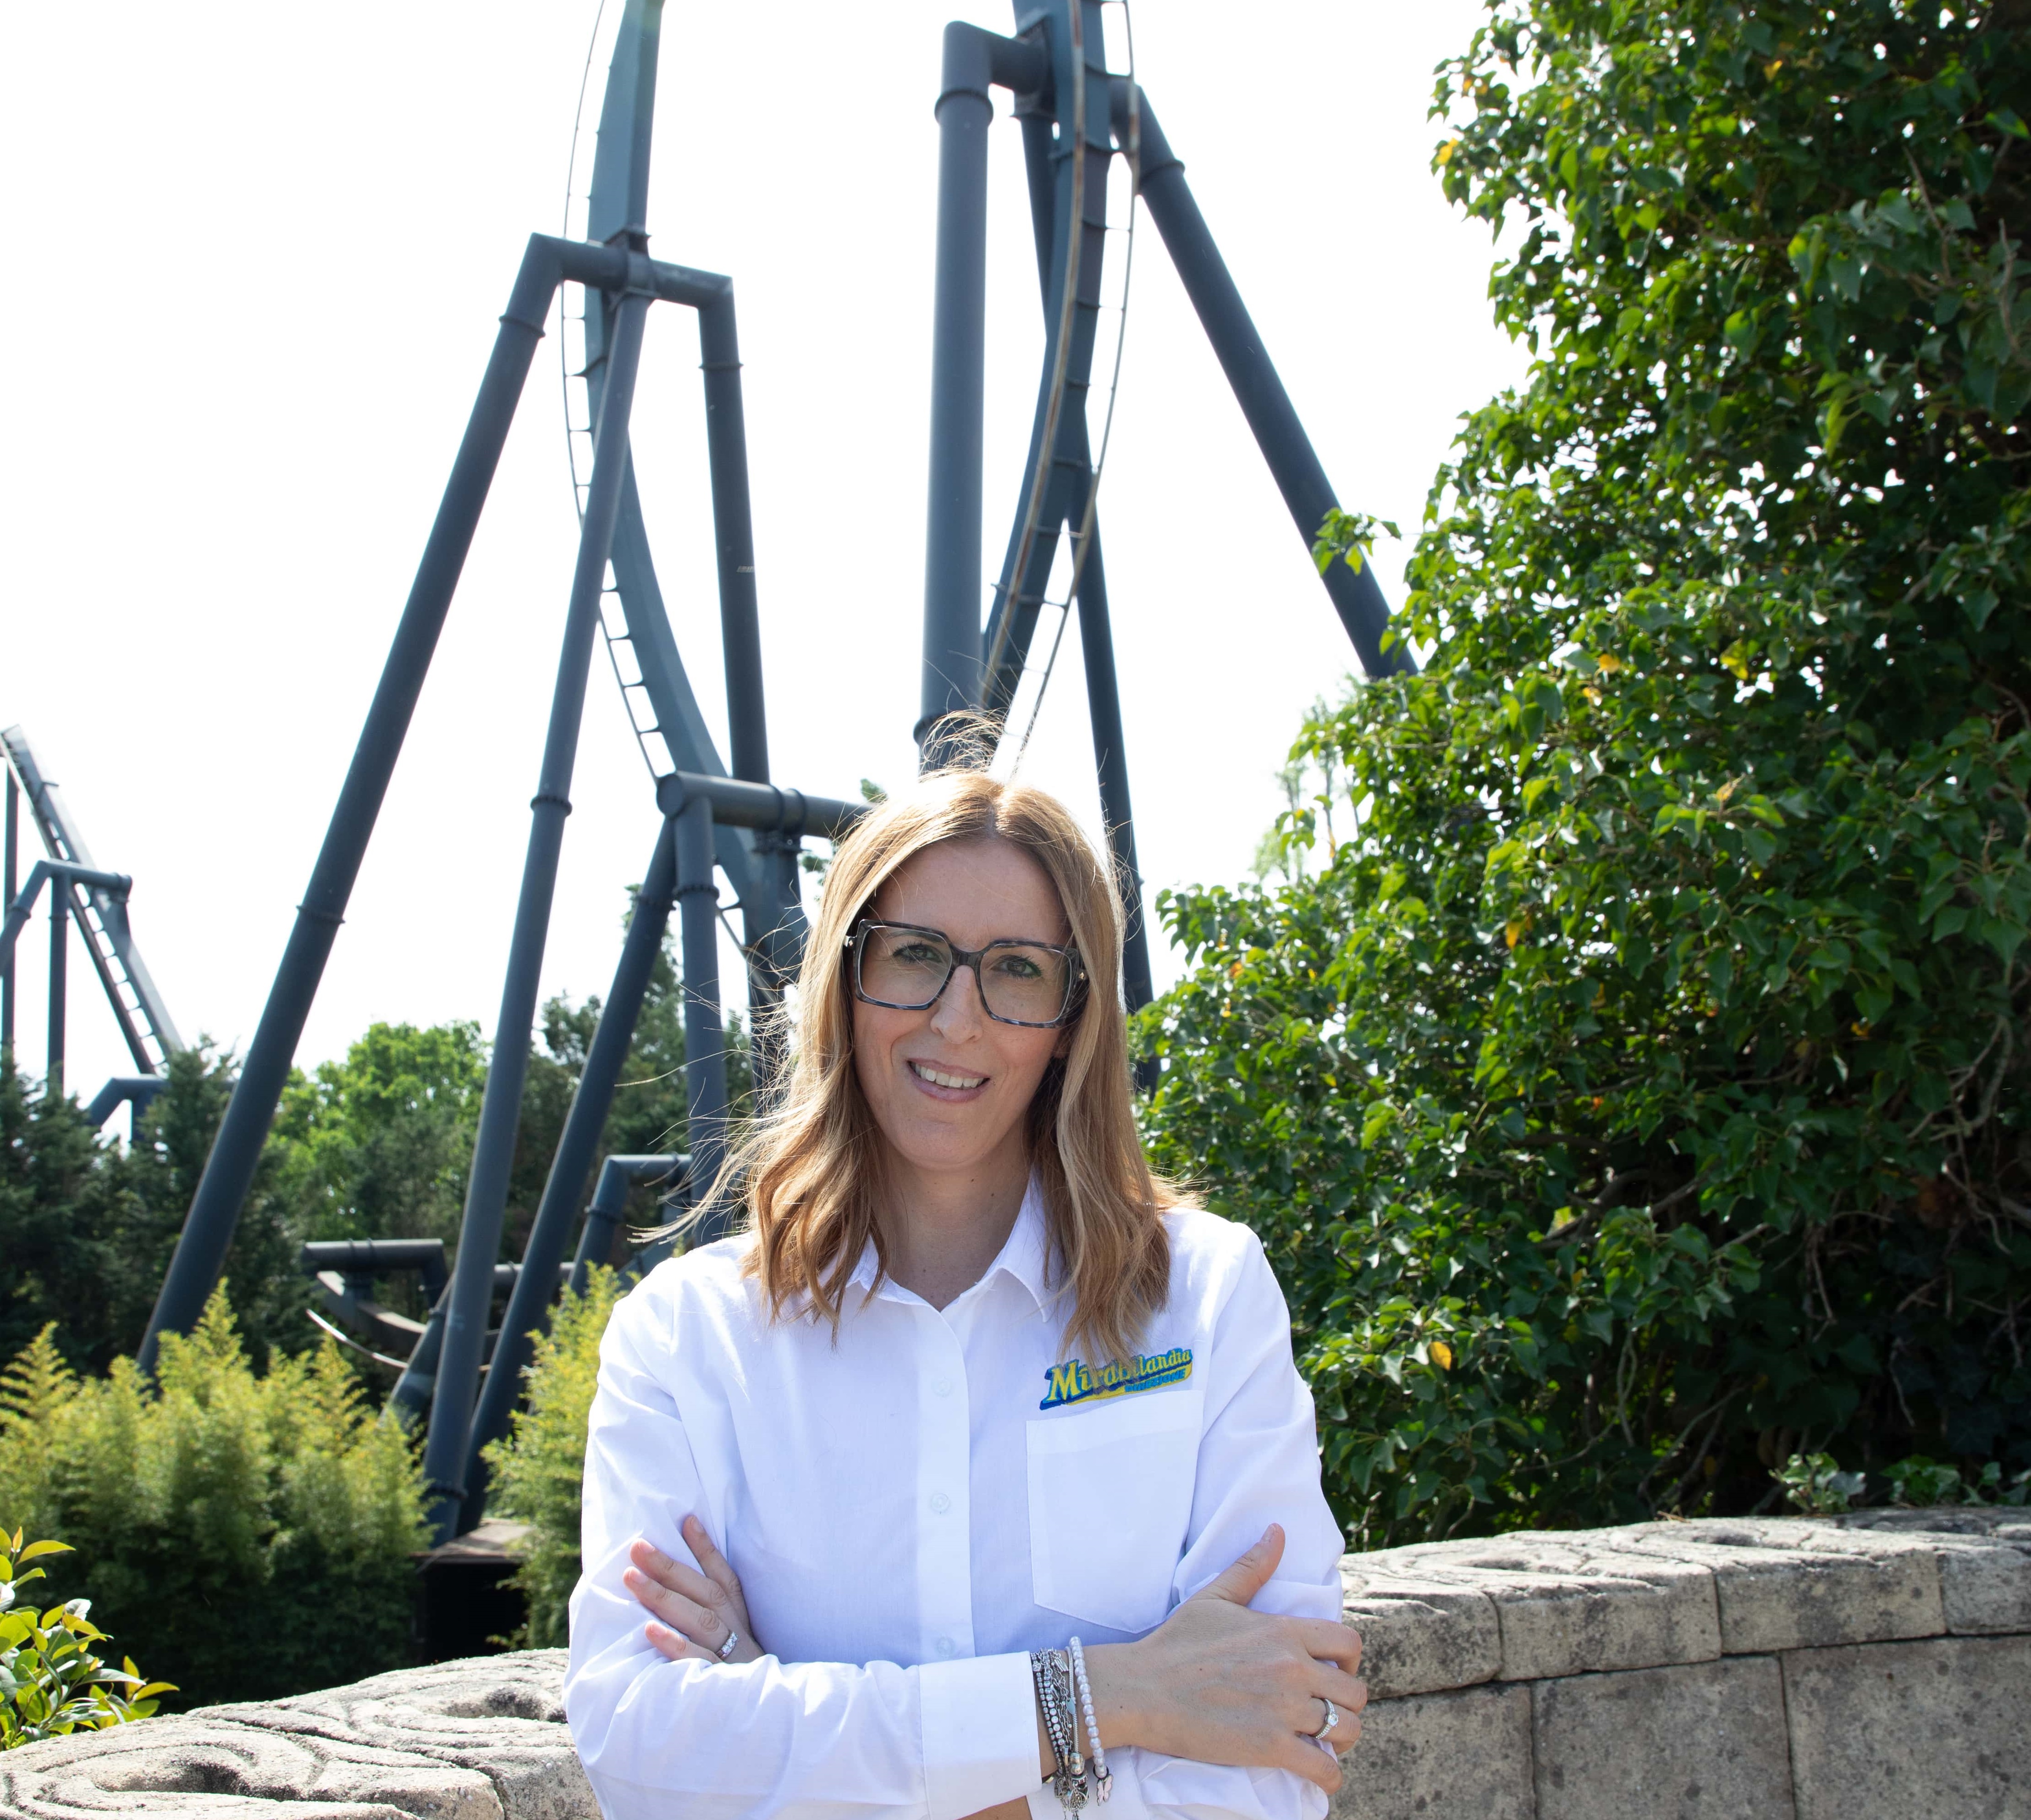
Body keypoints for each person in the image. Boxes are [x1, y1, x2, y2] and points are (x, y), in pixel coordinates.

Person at [564, 769, 1366, 1820]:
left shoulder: (1207, 1298)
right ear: (845, 979)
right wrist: (1111, 1698)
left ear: (1072, 1017)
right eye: (914, 953)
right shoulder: (687, 1337)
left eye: (1018, 970)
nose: (956, 1019)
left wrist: (798, 1742)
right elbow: (640, 1752)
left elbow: (1275, 1758)